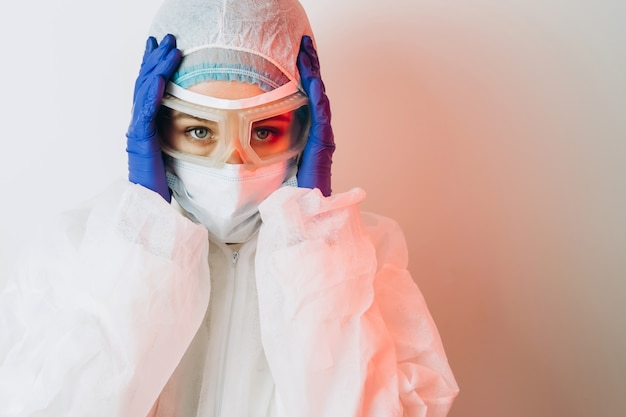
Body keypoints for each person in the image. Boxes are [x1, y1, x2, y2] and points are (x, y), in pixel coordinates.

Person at [0, 0, 458, 416]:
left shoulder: (362, 262)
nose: (234, 163)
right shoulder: (76, 250)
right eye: (200, 131)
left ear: (307, 131)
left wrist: (314, 247)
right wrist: (143, 240)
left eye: (263, 132)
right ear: (156, 129)